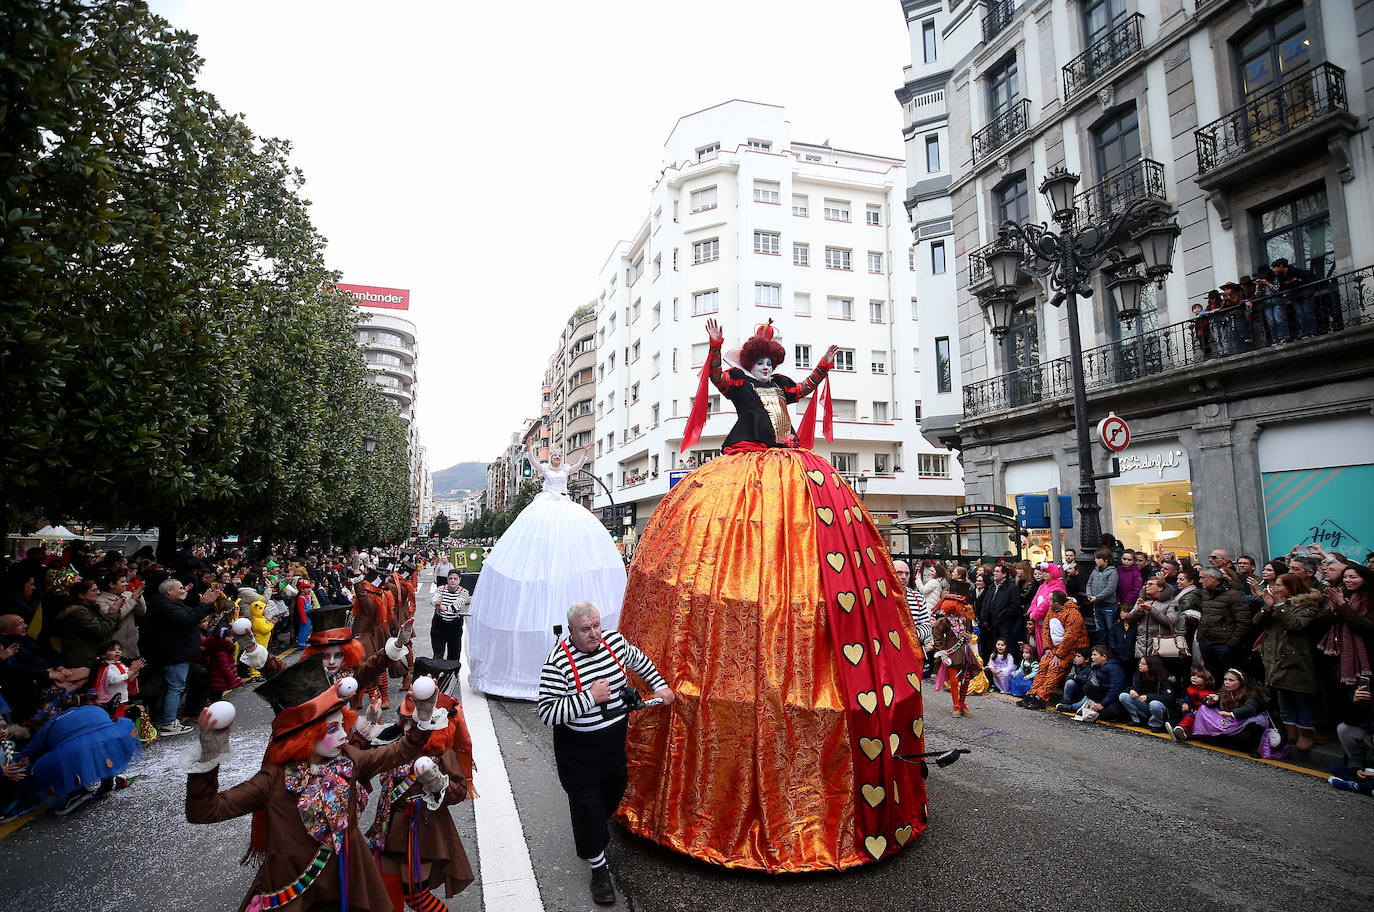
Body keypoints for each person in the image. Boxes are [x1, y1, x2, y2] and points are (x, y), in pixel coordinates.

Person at [614, 319, 929, 871]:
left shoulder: (783, 387)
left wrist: (827, 366)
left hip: (795, 471)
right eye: (760, 360)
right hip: (744, 468)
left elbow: (804, 392)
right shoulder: (736, 381)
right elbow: (715, 377)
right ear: (751, 361)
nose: (765, 368)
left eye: (769, 361)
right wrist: (714, 348)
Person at [185, 657, 438, 912]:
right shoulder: (274, 780)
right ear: (305, 737)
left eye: (342, 724)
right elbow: (204, 811)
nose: (342, 735)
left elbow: (401, 751)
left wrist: (424, 714)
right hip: (296, 892)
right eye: (331, 729)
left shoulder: (350, 760)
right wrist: (210, 755)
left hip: (347, 881)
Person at [467, 438, 627, 701]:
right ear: (549, 458)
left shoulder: (565, 470)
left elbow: (576, 466)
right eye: (553, 455)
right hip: (545, 507)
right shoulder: (545, 470)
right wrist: (529, 450)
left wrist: (586, 453)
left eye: (557, 456)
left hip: (564, 506)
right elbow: (533, 462)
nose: (555, 459)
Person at [538, 603, 673, 904]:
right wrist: (589, 698)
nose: (594, 633)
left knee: (614, 791)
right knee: (587, 807)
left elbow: (641, 661)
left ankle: (595, 829)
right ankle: (599, 870)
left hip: (612, 744)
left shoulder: (615, 642)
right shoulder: (557, 662)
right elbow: (546, 713)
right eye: (586, 629)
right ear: (571, 630)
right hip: (578, 751)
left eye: (596, 625)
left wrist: (660, 687)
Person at [369, 686, 476, 911]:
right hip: (389, 823)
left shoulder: (442, 754)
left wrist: (436, 781)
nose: (410, 727)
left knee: (417, 897)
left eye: (413, 722)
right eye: (406, 721)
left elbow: (458, 791)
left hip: (421, 828)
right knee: (387, 891)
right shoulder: (397, 744)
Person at [21, 701, 142, 816]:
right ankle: (107, 783)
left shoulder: (51, 724)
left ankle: (75, 791)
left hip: (73, 751)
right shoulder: (94, 709)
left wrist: (16, 761)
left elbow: (30, 750)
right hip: (112, 739)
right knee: (101, 746)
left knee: (61, 758)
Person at [1253, 573, 1324, 751]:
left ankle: (1306, 731)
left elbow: (1295, 624)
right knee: (1284, 695)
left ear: (1293, 586)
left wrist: (1279, 605)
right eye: (1275, 585)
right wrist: (1267, 608)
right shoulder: (1279, 603)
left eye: (1281, 585)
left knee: (1300, 695)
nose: (1276, 589)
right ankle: (1290, 730)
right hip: (1275, 657)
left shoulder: (1307, 604)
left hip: (1296, 658)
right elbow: (1256, 622)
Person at [145, 577, 211, 737]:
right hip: (175, 654)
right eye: (180, 588)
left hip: (175, 653)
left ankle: (163, 719)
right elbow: (188, 619)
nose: (184, 591)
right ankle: (168, 722)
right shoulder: (166, 607)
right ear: (169, 591)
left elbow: (190, 615)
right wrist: (204, 604)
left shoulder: (168, 605)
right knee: (176, 687)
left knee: (172, 687)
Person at [1024, 590, 1089, 710]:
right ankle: (1032, 693)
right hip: (1055, 647)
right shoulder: (1051, 610)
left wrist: (1058, 655)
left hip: (1073, 649)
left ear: (1057, 603)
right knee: (1043, 664)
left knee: (1055, 667)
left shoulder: (1073, 614)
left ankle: (1041, 697)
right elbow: (1046, 629)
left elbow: (1070, 638)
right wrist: (1047, 648)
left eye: (1050, 601)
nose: (1048, 602)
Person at [1182, 668, 1269, 750]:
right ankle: (1210, 737)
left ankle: (1254, 747)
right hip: (1228, 719)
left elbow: (1252, 708)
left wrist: (1231, 714)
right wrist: (1210, 701)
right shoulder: (1224, 691)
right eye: (1225, 679)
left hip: (1241, 719)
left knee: (1258, 720)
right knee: (1204, 708)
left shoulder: (1250, 693)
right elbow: (1211, 701)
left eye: (1231, 680)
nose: (1227, 682)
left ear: (1241, 682)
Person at [1195, 568, 1251, 687]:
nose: (1200, 581)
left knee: (1230, 677)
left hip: (1225, 644)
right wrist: (1201, 637)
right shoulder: (1206, 593)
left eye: (1202, 577)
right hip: (1207, 641)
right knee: (1212, 676)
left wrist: (1231, 643)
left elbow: (1243, 621)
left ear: (1213, 578)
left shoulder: (1234, 594)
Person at [930, 581, 976, 717]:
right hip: (951, 654)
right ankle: (956, 705)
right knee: (954, 681)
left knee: (966, 679)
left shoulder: (966, 620)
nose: (963, 607)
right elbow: (937, 639)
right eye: (961, 605)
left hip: (965, 653)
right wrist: (942, 655)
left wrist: (968, 637)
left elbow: (970, 635)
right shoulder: (943, 621)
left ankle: (963, 703)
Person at [1121, 577, 1180, 659]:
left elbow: (1170, 622)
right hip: (1141, 645)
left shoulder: (1171, 602)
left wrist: (1151, 609)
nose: (1146, 586)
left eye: (1150, 584)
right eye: (1146, 584)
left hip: (1160, 646)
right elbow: (1130, 618)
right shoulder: (1143, 600)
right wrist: (1139, 611)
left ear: (1160, 588)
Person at [1118, 655, 1181, 732]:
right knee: (1123, 696)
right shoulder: (1139, 675)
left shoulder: (1163, 679)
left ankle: (1157, 724)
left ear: (1152, 666)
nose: (1140, 665)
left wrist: (1148, 697)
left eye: (1143, 664)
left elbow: (1169, 698)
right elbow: (1133, 687)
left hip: (1160, 708)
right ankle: (1138, 719)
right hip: (1144, 704)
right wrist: (1131, 690)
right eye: (1140, 663)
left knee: (1154, 704)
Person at [1072, 644, 1127, 723]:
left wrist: (1102, 704)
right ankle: (1092, 708)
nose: (1092, 657)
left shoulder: (1114, 668)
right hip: (1105, 695)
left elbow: (1115, 690)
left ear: (1104, 657)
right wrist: (1094, 702)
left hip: (1116, 698)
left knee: (1108, 714)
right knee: (1088, 687)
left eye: (1094, 655)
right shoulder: (1097, 667)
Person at [984, 563, 1022, 661]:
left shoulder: (1012, 588)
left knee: (1008, 645)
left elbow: (1015, 606)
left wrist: (1003, 615)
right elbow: (987, 602)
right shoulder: (992, 587)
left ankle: (1012, 665)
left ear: (1004, 574)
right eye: (994, 571)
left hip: (1005, 623)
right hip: (992, 622)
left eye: (997, 571)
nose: (994, 573)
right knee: (995, 646)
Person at [430, 571, 470, 663]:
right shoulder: (441, 589)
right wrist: (437, 603)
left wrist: (444, 607)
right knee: (438, 653)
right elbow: (434, 599)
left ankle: (453, 675)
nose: (452, 581)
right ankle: (437, 673)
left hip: (454, 625)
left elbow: (457, 605)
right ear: (447, 579)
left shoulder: (464, 592)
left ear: (459, 580)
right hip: (439, 623)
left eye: (455, 579)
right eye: (450, 578)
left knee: (454, 654)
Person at [893, 560, 932, 654]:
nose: (904, 577)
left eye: (907, 574)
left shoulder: (918, 597)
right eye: (899, 573)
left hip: (911, 652)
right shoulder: (881, 596)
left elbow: (927, 627)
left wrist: (909, 636)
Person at [1085, 548, 1120, 651]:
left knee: (1110, 628)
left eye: (1098, 558)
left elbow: (1110, 589)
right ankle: (1102, 648)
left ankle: (1112, 649)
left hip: (1108, 605)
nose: (1095, 560)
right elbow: (1089, 584)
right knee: (1100, 628)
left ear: (1106, 560)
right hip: (1096, 604)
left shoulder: (1112, 572)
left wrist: (1098, 597)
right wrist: (1089, 596)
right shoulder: (1095, 570)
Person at [1171, 667, 1217, 740]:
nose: (1194, 678)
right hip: (1192, 709)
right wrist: (1186, 703)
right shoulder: (1190, 689)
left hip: (1203, 714)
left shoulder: (1210, 694)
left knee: (1190, 718)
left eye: (1199, 677)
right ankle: (1177, 728)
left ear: (1206, 681)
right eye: (1193, 675)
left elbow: (1208, 706)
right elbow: (1187, 699)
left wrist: (1199, 711)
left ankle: (1181, 728)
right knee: (1180, 711)